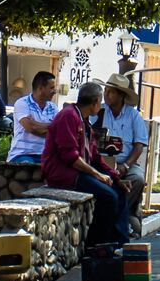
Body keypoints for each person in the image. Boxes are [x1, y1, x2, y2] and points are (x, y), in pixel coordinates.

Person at [42, 80, 132, 246]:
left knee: (118, 190)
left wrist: (115, 177)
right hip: (64, 173)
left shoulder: (84, 121)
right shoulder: (68, 116)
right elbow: (70, 157)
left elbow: (95, 157)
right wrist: (97, 175)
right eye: (100, 101)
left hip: (79, 171)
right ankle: (97, 245)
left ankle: (120, 242)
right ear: (95, 102)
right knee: (108, 196)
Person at [98, 73, 149, 181]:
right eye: (105, 90)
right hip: (100, 161)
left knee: (138, 179)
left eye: (111, 92)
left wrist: (125, 166)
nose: (106, 94)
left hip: (126, 164)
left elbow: (139, 146)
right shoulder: (98, 111)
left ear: (121, 96)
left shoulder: (134, 115)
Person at [6, 71, 58, 163]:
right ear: (41, 88)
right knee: (27, 169)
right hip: (22, 154)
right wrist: (52, 128)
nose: (55, 91)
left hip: (46, 155)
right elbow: (31, 127)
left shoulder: (53, 107)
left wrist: (35, 124)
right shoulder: (22, 103)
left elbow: (59, 131)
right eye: (52, 88)